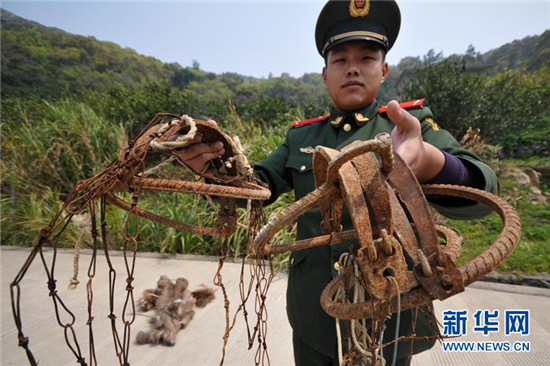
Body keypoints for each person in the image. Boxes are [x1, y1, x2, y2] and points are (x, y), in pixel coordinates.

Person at [178, 1, 498, 365]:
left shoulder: (410, 125)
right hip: (314, 311)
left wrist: (426, 161)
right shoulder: (301, 137)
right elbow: (257, 188)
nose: (353, 70)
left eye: (366, 58)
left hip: (391, 311)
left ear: (384, 70)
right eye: (341, 60)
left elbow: (482, 190)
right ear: (325, 73)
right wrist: (215, 169)